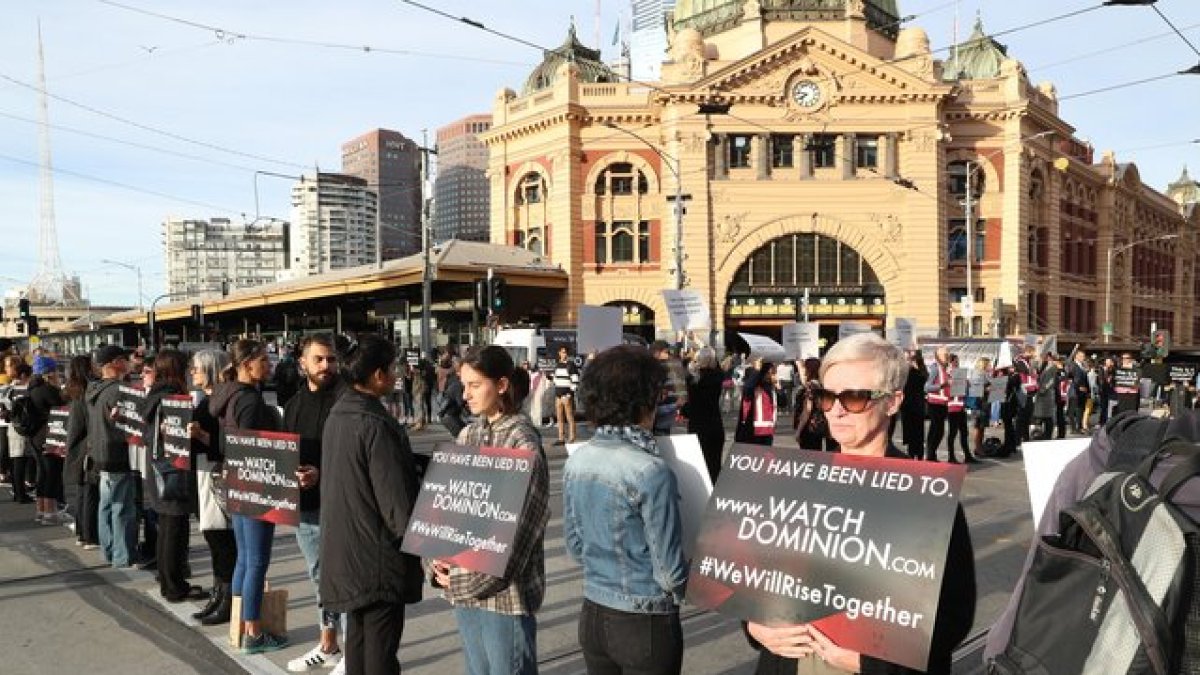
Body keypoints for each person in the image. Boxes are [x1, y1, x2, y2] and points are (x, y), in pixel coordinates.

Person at [746, 333, 976, 675]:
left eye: (854, 398)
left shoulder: (924, 494)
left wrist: (872, 663)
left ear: (893, 402)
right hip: (789, 663)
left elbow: (954, 613)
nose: (836, 410)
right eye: (825, 396)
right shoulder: (796, 480)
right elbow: (753, 580)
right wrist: (754, 627)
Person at [564, 345, 688, 675]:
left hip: (592, 613)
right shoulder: (651, 470)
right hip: (644, 620)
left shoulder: (578, 459)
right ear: (646, 401)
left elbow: (576, 547)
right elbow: (669, 572)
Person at [429, 346, 549, 675]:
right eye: (463, 385)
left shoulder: (521, 442)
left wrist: (459, 581)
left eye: (474, 385)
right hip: (464, 588)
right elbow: (445, 510)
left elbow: (519, 534)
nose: (464, 394)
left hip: (504, 597)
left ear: (501, 384)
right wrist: (437, 559)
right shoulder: (469, 433)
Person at [320, 335, 423, 675]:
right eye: (392, 369)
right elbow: (396, 504)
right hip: (376, 559)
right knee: (380, 654)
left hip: (346, 555)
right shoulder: (375, 423)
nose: (395, 375)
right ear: (378, 375)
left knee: (359, 648)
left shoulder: (340, 412)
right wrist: (427, 547)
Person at [209, 339, 287, 653]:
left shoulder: (226, 395)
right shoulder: (250, 401)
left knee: (244, 558)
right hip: (254, 485)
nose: (268, 366)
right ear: (246, 364)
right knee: (256, 562)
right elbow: (256, 448)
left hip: (235, 481)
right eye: (263, 361)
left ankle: (239, 626)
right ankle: (254, 632)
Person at [283, 335, 347, 673]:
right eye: (319, 359)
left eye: (331, 359)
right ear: (303, 364)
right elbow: (283, 453)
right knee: (319, 576)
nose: (326, 366)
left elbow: (353, 454)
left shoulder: (346, 401)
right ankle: (328, 644)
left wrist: (322, 473)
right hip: (304, 507)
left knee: (343, 578)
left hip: (339, 505)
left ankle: (354, 653)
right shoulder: (292, 405)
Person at [139, 349, 204, 603]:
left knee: (167, 527)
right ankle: (175, 586)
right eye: (186, 367)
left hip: (158, 469)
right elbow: (175, 437)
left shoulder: (154, 396)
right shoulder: (171, 398)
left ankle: (169, 582)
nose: (189, 372)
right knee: (176, 529)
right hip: (171, 470)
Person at [188, 349, 237, 625]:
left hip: (217, 474)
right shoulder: (207, 401)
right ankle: (219, 593)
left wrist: (201, 435)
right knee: (213, 539)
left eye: (197, 368)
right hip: (204, 473)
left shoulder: (220, 403)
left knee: (222, 540)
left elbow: (227, 444)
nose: (193, 373)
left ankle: (227, 599)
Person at [86, 345, 138, 567]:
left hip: (99, 454)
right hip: (117, 453)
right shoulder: (119, 390)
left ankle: (108, 550)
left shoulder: (94, 390)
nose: (128, 363)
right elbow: (129, 423)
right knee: (122, 507)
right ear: (116, 363)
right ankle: (122, 555)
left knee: (105, 505)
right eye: (125, 359)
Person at [64, 354, 100, 548]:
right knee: (90, 492)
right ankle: (90, 535)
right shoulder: (88, 391)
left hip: (77, 447)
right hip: (87, 446)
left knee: (82, 492)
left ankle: (81, 532)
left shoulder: (73, 389)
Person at [26, 355, 67, 522]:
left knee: (42, 473)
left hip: (35, 437)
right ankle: (50, 512)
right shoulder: (48, 390)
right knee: (52, 473)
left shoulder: (32, 389)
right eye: (55, 371)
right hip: (50, 437)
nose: (57, 374)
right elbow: (64, 404)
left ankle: (41, 510)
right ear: (48, 373)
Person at [684, 346, 726, 482]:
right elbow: (719, 370)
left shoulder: (693, 379)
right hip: (714, 424)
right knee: (715, 465)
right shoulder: (717, 377)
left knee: (699, 465)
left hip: (697, 425)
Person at [944, 354, 976, 464]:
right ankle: (951, 456)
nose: (957, 364)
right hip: (952, 407)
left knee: (964, 432)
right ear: (950, 363)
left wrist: (966, 384)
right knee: (952, 433)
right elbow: (946, 391)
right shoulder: (947, 375)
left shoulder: (961, 374)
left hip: (961, 406)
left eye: (958, 362)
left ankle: (967, 455)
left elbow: (965, 392)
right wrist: (952, 383)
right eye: (955, 362)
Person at [737, 362, 778, 446]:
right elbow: (748, 387)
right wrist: (757, 370)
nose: (769, 376)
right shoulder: (751, 389)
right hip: (752, 430)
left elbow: (782, 402)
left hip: (767, 430)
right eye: (767, 374)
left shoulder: (769, 389)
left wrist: (778, 385)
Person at [923, 347, 951, 462]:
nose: (947, 356)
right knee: (936, 430)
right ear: (938, 356)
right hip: (934, 403)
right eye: (945, 355)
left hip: (943, 403)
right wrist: (942, 385)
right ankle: (930, 456)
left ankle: (932, 455)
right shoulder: (935, 368)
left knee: (939, 431)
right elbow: (926, 387)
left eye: (947, 354)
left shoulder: (945, 369)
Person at [899, 351, 928, 460]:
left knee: (917, 432)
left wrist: (914, 366)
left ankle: (917, 454)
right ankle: (913, 454)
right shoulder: (909, 371)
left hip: (914, 404)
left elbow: (924, 378)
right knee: (912, 432)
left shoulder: (919, 372)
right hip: (909, 405)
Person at [552, 345, 579, 445]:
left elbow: (575, 380)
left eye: (566, 352)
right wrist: (550, 378)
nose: (564, 354)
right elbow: (555, 379)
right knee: (559, 417)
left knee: (569, 416)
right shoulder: (557, 364)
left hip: (566, 395)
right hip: (558, 395)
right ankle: (561, 438)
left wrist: (569, 394)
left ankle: (572, 437)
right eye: (563, 352)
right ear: (559, 353)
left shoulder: (570, 365)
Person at [1032, 354, 1060, 440]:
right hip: (1041, 395)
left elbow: (1052, 380)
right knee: (1042, 416)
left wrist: (1044, 389)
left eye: (1043, 358)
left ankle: (1048, 435)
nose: (1041, 360)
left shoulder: (1053, 367)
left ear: (1048, 358)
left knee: (1048, 417)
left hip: (1047, 395)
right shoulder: (1043, 367)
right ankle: (1042, 434)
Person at [1067, 350, 1090, 434]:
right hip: (1075, 391)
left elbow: (1085, 379)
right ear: (1076, 356)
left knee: (1081, 410)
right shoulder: (1073, 365)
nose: (1082, 358)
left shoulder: (1082, 366)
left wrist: (1088, 391)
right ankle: (1073, 428)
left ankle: (1079, 427)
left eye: (1083, 356)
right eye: (1080, 356)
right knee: (1073, 410)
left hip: (1083, 392)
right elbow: (1073, 378)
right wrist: (1079, 387)